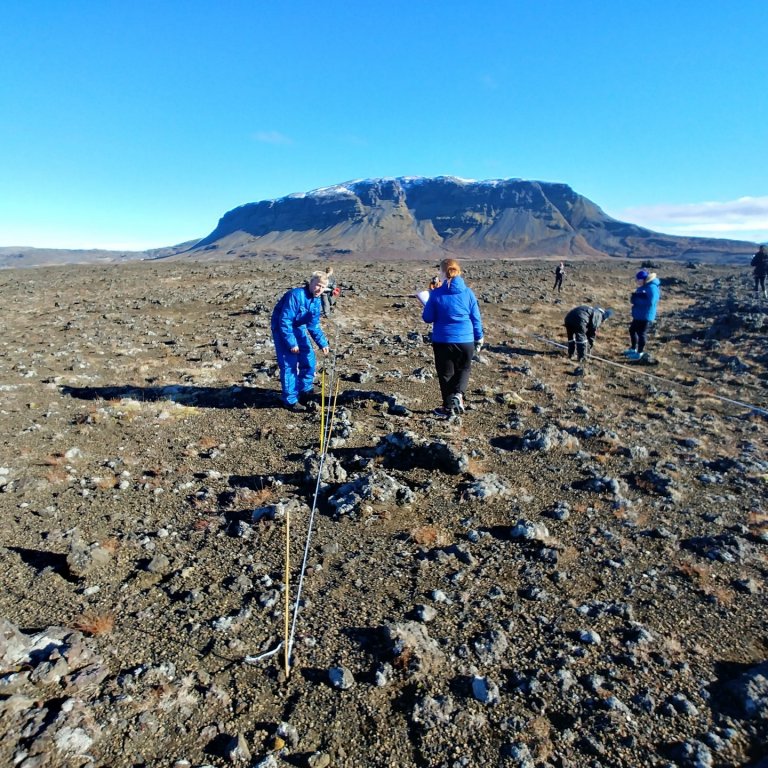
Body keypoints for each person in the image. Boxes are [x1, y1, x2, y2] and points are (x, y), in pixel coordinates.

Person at [421, 258, 484, 418]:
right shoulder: (468, 293)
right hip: (466, 340)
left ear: (443, 273)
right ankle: (459, 395)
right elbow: (476, 318)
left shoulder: (436, 294)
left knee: (446, 374)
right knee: (464, 369)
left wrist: (430, 296)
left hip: (443, 340)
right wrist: (479, 337)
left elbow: (428, 318)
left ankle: (448, 408)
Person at [271, 272, 329, 412]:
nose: (319, 289)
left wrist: (322, 343)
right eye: (318, 285)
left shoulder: (316, 301)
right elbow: (284, 320)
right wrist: (292, 343)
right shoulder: (296, 295)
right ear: (311, 282)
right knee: (289, 364)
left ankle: (304, 389)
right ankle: (290, 400)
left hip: (298, 326)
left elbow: (313, 325)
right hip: (282, 328)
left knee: (309, 358)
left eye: (322, 287)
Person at [624, 269, 661, 360]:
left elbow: (651, 302)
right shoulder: (644, 286)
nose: (636, 281)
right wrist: (634, 298)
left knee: (641, 333)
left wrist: (637, 299)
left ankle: (639, 353)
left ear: (644, 279)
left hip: (645, 315)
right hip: (639, 314)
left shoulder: (652, 287)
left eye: (638, 279)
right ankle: (633, 349)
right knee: (632, 330)